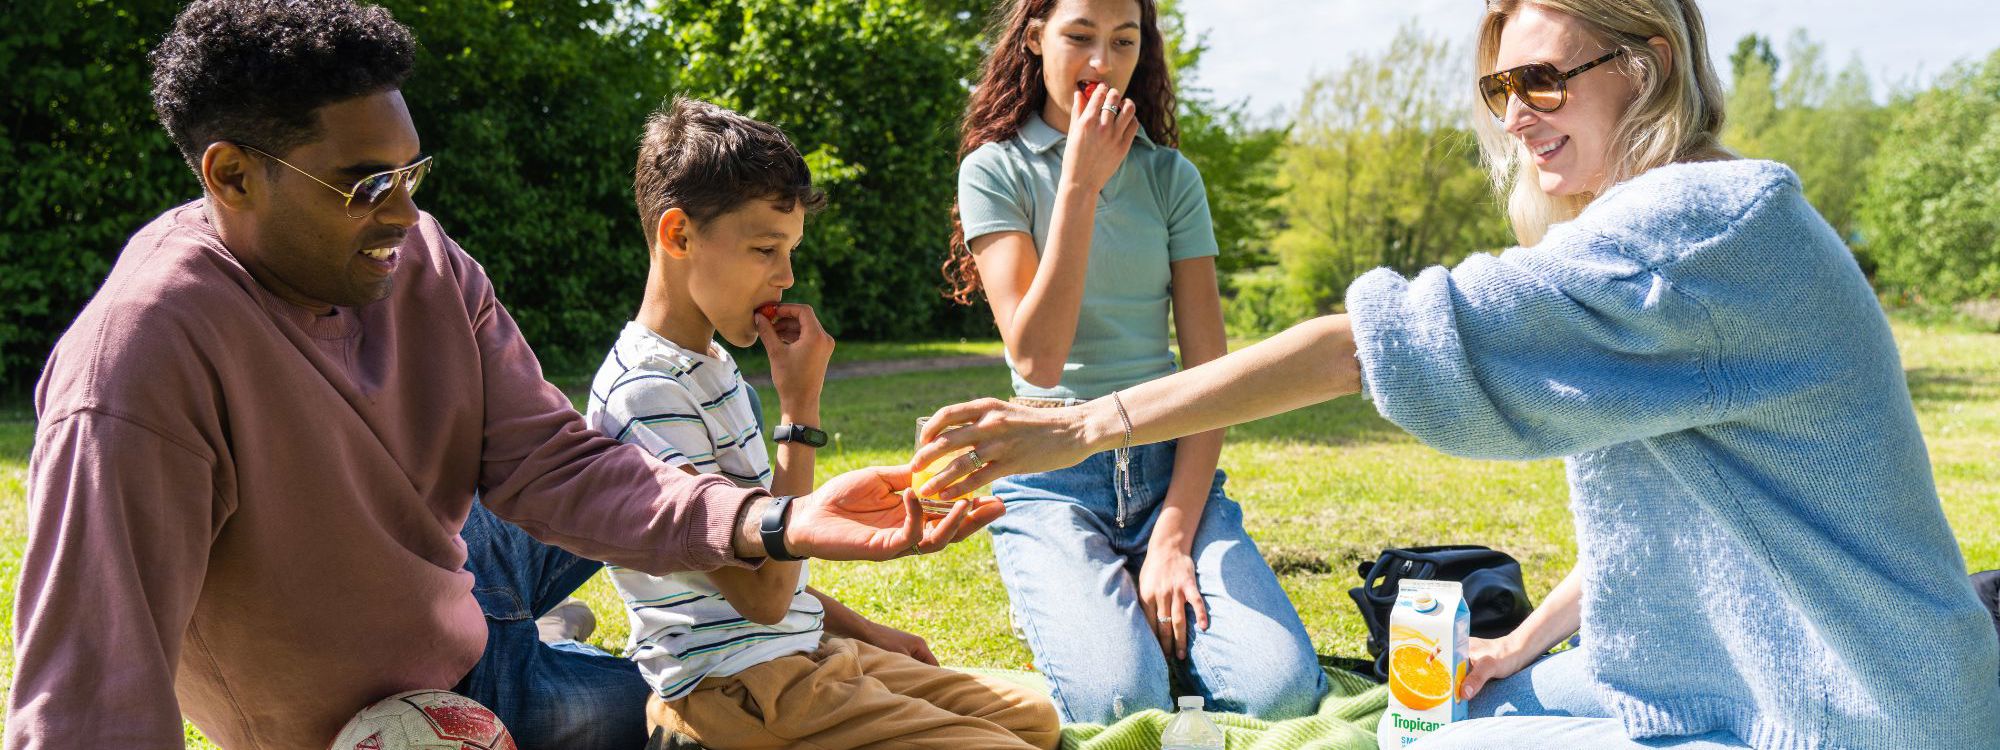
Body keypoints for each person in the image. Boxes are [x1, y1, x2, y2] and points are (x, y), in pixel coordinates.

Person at [914, 0, 2000, 747]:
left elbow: (1364, 342)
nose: (1514, 115)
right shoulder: (1700, 220)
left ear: (1645, 67)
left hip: (1845, 702)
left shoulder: (1692, 233)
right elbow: (1691, 515)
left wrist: (1086, 423)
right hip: (1779, 667)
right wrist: (1521, 641)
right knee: (1430, 717)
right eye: (1497, 89)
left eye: (1540, 79)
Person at [6, 2, 996, 748]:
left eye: (410, 174)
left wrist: (771, 521)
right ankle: (540, 632)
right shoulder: (137, 363)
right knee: (705, 723)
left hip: (455, 585)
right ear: (230, 176)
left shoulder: (421, 261)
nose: (402, 213)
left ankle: (528, 614)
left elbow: (558, 464)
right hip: (412, 708)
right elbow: (89, 686)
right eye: (364, 185)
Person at [580, 97, 1056, 749]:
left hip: (801, 655)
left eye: (790, 249)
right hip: (737, 694)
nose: (787, 275)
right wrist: (799, 412)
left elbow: (769, 563)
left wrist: (870, 634)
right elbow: (765, 595)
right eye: (765, 249)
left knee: (1037, 718)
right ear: (678, 235)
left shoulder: (710, 365)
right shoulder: (645, 396)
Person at [939, 0, 1326, 725]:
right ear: (1032, 39)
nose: (1101, 63)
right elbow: (1039, 358)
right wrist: (1080, 185)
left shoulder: (1171, 178)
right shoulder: (994, 171)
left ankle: (1140, 591)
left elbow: (1213, 382)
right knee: (1122, 704)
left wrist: (1174, 539)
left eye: (1124, 41)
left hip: (1168, 470)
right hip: (1053, 480)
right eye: (1078, 38)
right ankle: (1092, 602)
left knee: (1281, 695)